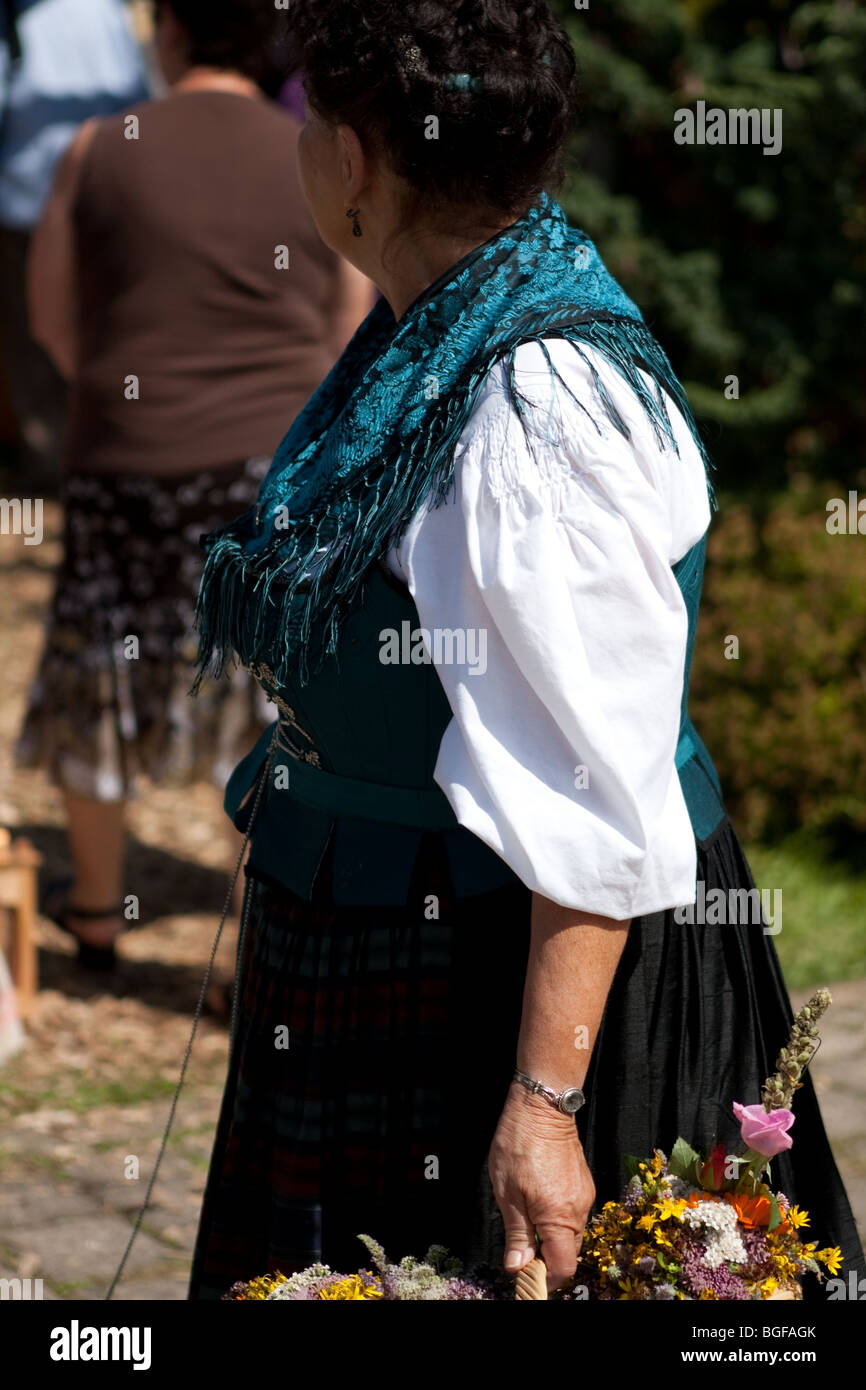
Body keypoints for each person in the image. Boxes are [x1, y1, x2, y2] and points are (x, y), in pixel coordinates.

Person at [187, 0, 864, 1299]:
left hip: (504, 986)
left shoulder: (532, 411)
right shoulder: (442, 323)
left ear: (354, 165)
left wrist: (545, 1103)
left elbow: (594, 779)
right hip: (392, 954)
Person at [14, 0, 374, 970]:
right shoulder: (312, 153)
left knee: (100, 669)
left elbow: (50, 314)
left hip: (125, 453)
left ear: (168, 30)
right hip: (267, 468)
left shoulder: (98, 145)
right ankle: (246, 942)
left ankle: (95, 910)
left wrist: (125, 384)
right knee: (259, 696)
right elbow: (346, 320)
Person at [0, 0, 149, 490]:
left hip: (29, 208)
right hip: (104, 205)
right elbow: (137, 101)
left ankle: (51, 463)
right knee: (103, 336)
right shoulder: (108, 10)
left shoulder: (18, 16)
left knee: (37, 339)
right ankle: (102, 456)